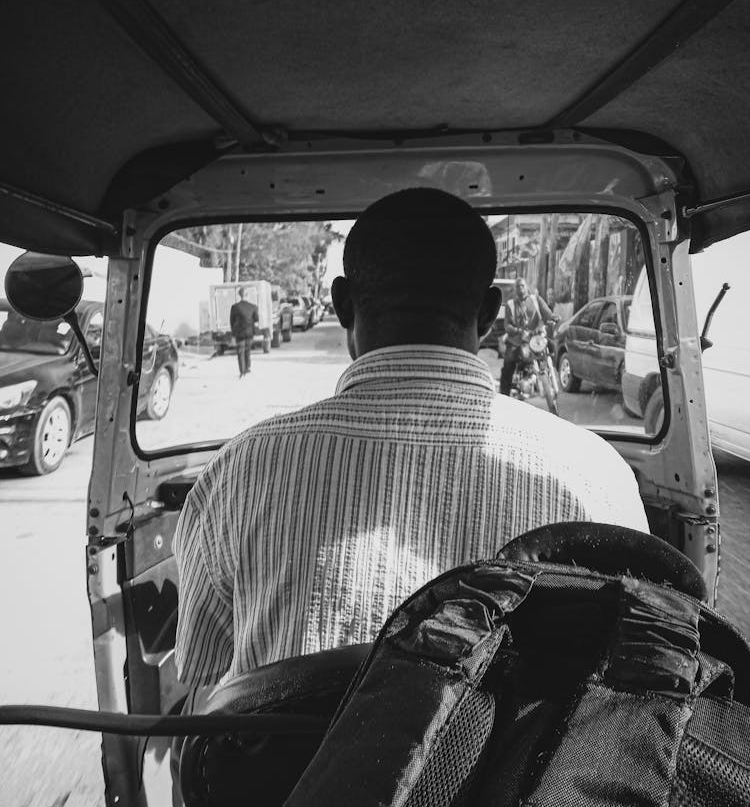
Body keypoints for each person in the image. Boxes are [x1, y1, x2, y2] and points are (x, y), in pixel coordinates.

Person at [174, 188, 648, 688]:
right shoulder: (597, 479)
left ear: (340, 305)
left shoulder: (239, 470)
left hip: (291, 768)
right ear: (489, 314)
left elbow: (202, 678)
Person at [500, 278, 556, 396]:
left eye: (522, 286)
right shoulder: (510, 305)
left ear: (527, 287)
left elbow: (547, 313)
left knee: (551, 347)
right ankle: (503, 395)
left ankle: (547, 376)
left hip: (536, 338)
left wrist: (553, 318)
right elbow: (507, 325)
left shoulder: (536, 300)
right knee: (508, 364)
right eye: (518, 286)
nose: (520, 289)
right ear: (515, 290)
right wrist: (518, 331)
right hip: (517, 341)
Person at [229, 287, 258, 378]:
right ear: (247, 295)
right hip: (250, 332)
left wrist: (233, 334)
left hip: (239, 333)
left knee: (240, 351)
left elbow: (232, 321)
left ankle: (242, 371)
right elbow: (256, 319)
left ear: (239, 295)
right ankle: (247, 367)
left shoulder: (235, 307)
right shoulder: (253, 306)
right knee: (247, 350)